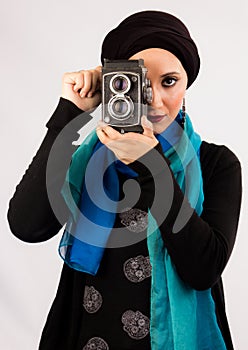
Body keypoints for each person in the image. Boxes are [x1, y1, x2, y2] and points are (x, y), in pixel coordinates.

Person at [7, 10, 242, 350]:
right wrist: (68, 113)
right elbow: (26, 226)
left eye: (169, 81)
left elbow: (203, 269)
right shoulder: (91, 159)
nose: (155, 100)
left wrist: (150, 164)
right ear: (115, 83)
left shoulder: (216, 163)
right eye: (141, 84)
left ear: (187, 84)